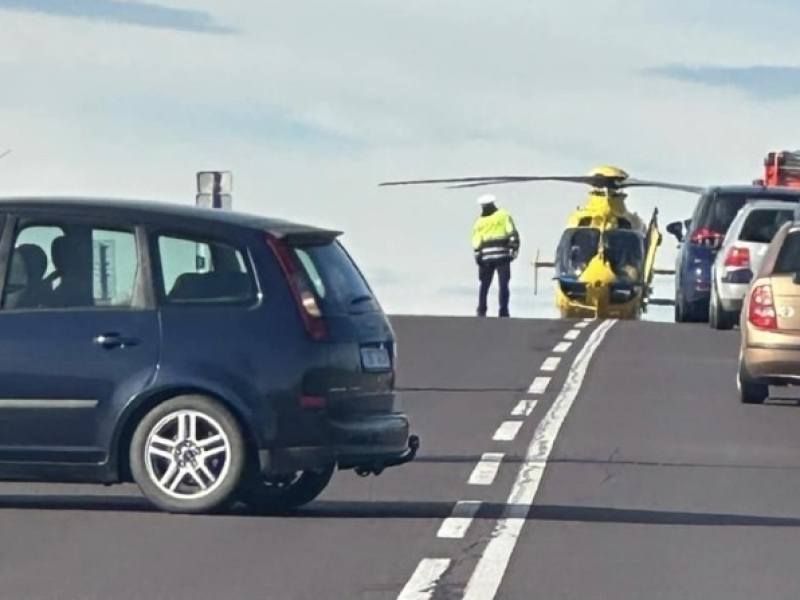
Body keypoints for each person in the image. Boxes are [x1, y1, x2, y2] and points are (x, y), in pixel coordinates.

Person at [471, 194, 520, 317]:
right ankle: (503, 310)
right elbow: (512, 233)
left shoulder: (479, 222)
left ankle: (482, 309)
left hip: (486, 257)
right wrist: (514, 247)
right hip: (502, 255)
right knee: (503, 284)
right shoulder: (503, 215)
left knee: (484, 284)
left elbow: (476, 242)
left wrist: (478, 256)